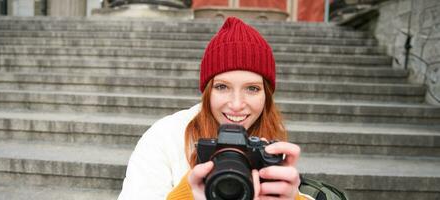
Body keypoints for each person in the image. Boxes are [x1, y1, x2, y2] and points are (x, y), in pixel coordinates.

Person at [118, 17, 314, 200]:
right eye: (222, 87)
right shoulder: (164, 137)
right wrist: (187, 193)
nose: (237, 105)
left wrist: (293, 197)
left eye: (252, 88)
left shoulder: (268, 141)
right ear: (207, 92)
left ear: (266, 96)